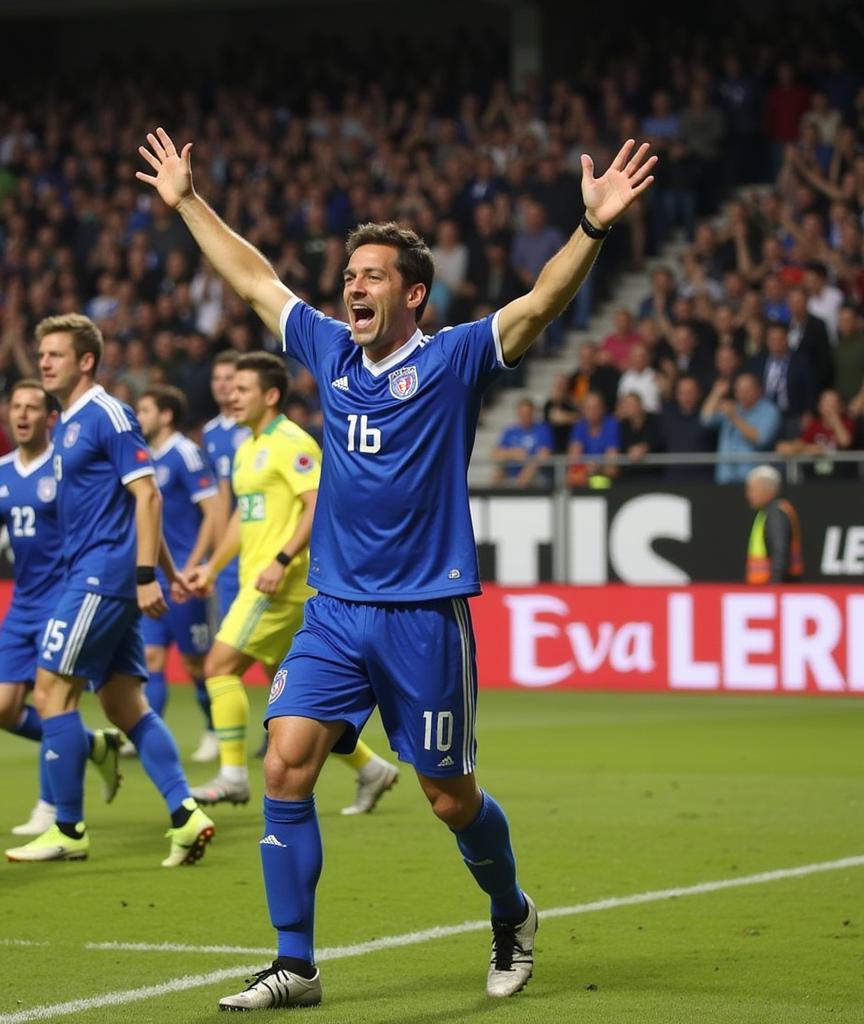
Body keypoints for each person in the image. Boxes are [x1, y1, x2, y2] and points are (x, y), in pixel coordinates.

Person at [138, 126, 655, 1008]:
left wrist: (594, 229)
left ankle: (511, 912)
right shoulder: (332, 353)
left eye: (370, 277)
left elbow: (536, 307)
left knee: (451, 801)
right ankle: (295, 965)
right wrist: (188, 201)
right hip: (336, 610)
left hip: (424, 614)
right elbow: (257, 280)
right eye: (349, 279)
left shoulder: (452, 359)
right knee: (284, 763)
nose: (352, 290)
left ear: (413, 292)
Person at [3, 313, 214, 866]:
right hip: (104, 573)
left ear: (86, 360)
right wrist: (164, 571)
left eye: (55, 354)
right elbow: (136, 505)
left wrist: (146, 575)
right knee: (125, 705)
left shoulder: (106, 415)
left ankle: (68, 828)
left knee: (51, 693)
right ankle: (186, 816)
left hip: (102, 576)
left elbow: (150, 498)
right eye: (41, 352)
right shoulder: (70, 421)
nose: (44, 361)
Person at [182, 352, 399, 816]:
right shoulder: (246, 448)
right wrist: (212, 564)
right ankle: (371, 769)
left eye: (242, 389)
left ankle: (233, 775)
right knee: (297, 699)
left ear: (271, 395)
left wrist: (282, 559)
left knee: (219, 667)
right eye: (230, 388)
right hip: (254, 577)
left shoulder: (290, 441)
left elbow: (317, 503)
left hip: (279, 584)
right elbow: (246, 516)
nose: (231, 396)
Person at [0, 380, 122, 836]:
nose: (21, 414)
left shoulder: (68, 467)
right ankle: (93, 745)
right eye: (15, 407)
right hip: (22, 605)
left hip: (65, 598)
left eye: (32, 407)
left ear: (50, 418)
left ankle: (51, 806)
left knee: (47, 697)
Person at [134, 384, 219, 736]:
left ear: (166, 415)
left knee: (195, 663)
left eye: (145, 410)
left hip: (184, 574)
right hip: (155, 576)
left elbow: (214, 512)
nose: (139, 418)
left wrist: (194, 565)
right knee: (151, 659)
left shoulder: (185, 453)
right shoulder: (144, 458)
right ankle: (147, 735)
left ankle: (215, 730)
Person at [198, 349, 251, 762]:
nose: (222, 385)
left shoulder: (260, 432)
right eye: (217, 378)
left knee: (227, 658)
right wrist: (215, 560)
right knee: (225, 656)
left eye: (230, 377)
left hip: (265, 557)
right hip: (232, 559)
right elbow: (219, 503)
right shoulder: (211, 434)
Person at [701, 373, 780, 483]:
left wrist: (734, 417)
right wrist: (716, 393)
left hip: (753, 479)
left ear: (759, 390)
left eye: (747, 390)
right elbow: (705, 419)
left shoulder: (769, 410)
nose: (743, 394)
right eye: (739, 390)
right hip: (725, 477)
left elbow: (761, 439)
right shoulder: (733, 407)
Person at [744, 465, 803, 583]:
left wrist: (775, 587)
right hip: (764, 591)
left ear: (769, 489)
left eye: (752, 489)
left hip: (771, 591)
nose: (748, 495)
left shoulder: (776, 513)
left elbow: (780, 553)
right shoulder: (766, 512)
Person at [490, 398, 553, 486]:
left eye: (528, 414)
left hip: (534, 472)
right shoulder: (510, 431)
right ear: (518, 414)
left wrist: (527, 458)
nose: (525, 416)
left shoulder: (542, 430)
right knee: (498, 473)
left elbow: (544, 454)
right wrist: (513, 453)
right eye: (522, 413)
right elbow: (495, 454)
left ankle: (518, 492)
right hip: (511, 469)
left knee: (530, 468)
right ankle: (493, 496)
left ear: (533, 413)